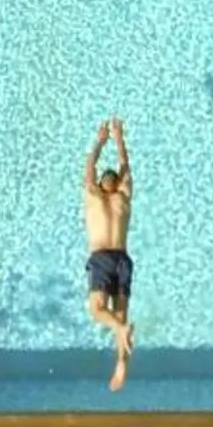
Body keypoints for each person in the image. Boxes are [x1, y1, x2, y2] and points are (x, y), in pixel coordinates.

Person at [83, 115, 135, 393]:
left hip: (102, 258)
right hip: (123, 259)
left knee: (97, 311)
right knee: (121, 314)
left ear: (102, 183)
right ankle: (121, 364)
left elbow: (89, 165)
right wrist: (118, 138)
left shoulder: (93, 196)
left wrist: (100, 141)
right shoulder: (123, 197)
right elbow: (125, 166)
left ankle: (120, 329)